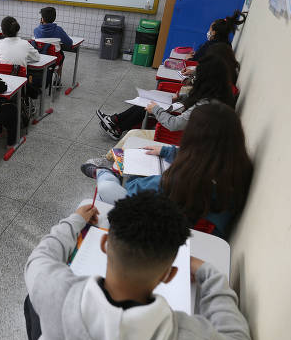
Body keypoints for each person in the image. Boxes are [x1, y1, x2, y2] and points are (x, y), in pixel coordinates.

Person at [23, 191, 254, 340]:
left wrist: (75, 220)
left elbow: (40, 257)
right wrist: (210, 274)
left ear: (104, 244)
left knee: (31, 302)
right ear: (169, 274)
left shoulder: (53, 290)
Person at [83, 102, 253, 239]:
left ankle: (103, 173)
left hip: (149, 236)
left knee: (105, 190)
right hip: (196, 244)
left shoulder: (175, 182)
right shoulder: (237, 172)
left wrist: (135, 174)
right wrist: (168, 151)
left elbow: (130, 191)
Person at [96, 54, 234, 140]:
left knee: (150, 106)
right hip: (186, 126)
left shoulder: (206, 105)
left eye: (197, 77)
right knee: (150, 102)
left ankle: (116, 124)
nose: (194, 80)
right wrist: (180, 97)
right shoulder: (218, 92)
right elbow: (197, 96)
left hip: (180, 136)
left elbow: (174, 124)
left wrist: (156, 109)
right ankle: (116, 123)